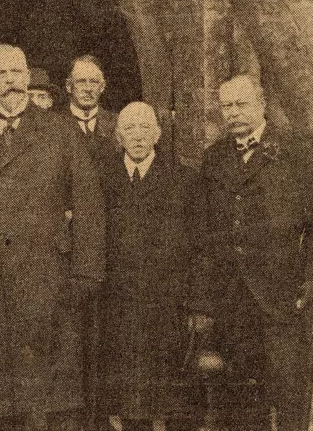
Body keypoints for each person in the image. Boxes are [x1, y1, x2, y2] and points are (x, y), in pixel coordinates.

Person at [0, 44, 105, 430]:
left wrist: (85, 276)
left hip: (49, 281)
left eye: (15, 73)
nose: (9, 82)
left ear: (28, 78)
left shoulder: (61, 132)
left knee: (52, 401)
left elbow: (90, 209)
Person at [189, 74, 313, 430]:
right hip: (232, 302)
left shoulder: (297, 152)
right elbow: (203, 235)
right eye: (227, 106)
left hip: (285, 299)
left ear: (262, 105)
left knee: (290, 398)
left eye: (242, 104)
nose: (234, 113)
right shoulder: (214, 159)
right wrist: (204, 300)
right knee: (238, 401)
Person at [99, 103, 200, 431]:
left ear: (157, 133)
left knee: (175, 397)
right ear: (118, 137)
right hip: (120, 304)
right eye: (130, 129)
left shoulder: (183, 180)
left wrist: (195, 302)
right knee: (130, 397)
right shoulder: (102, 179)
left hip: (168, 303)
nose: (138, 136)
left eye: (145, 128)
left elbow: (200, 247)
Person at [64, 55, 118, 165]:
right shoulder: (54, 123)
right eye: (81, 81)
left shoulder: (118, 123)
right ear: (69, 86)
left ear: (102, 86)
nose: (88, 89)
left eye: (93, 82)